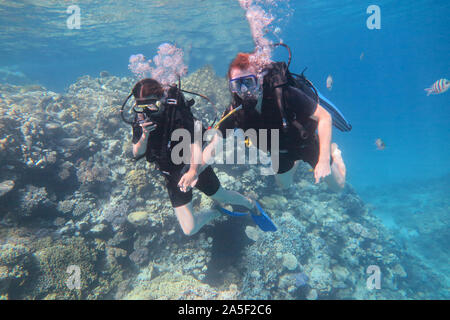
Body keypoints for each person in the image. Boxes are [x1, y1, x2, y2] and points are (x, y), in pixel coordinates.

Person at [178, 52, 347, 195]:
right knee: (284, 186)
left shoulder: (285, 94)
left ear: (259, 79)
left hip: (306, 143)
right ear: (232, 87)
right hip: (279, 150)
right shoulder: (235, 110)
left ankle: (335, 153)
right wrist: (194, 170)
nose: (245, 90)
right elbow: (214, 145)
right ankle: (295, 162)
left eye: (248, 82)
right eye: (238, 84)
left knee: (338, 187)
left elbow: (325, 117)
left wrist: (324, 159)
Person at [130, 78, 263, 235]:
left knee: (222, 195)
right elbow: (136, 152)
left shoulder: (177, 113)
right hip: (171, 175)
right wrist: (144, 134)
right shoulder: (141, 121)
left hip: (192, 164)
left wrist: (193, 171)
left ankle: (250, 204)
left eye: (151, 105)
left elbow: (195, 142)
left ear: (161, 100)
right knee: (189, 230)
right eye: (140, 108)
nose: (146, 112)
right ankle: (217, 212)